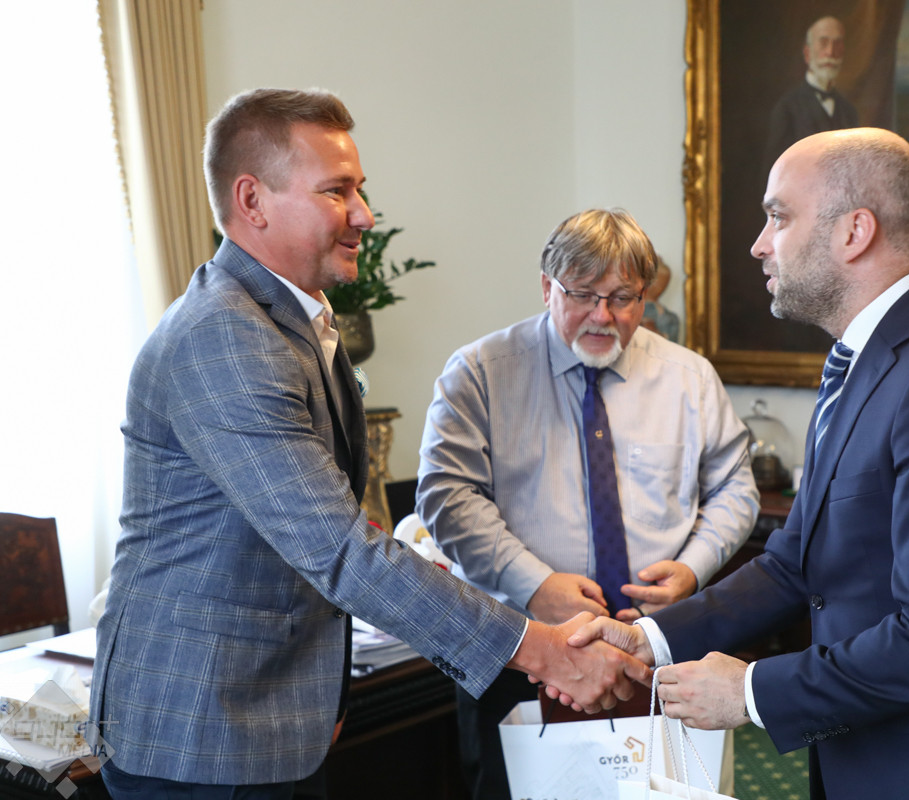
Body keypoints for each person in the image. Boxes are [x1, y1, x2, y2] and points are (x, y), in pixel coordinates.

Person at [88, 89, 649, 799]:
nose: (364, 215)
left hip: (271, 719)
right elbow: (340, 549)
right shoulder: (224, 336)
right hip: (201, 732)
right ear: (252, 200)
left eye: (360, 189)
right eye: (336, 191)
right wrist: (540, 650)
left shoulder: (294, 320)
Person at [567, 128, 909, 799]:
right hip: (870, 754)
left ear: (855, 232)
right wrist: (651, 638)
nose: (760, 244)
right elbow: (797, 564)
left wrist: (749, 690)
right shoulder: (859, 362)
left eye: (779, 217)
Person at [416, 208, 759, 799]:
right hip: (521, 653)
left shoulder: (689, 378)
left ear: (645, 296)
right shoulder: (479, 372)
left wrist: (693, 567)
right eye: (583, 295)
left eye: (623, 298)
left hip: (661, 651)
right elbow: (447, 495)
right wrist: (535, 585)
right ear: (547, 287)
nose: (603, 315)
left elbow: (735, 487)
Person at [763, 16, 858, 172]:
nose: (830, 52)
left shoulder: (849, 111)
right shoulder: (787, 109)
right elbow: (776, 173)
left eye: (837, 44)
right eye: (823, 43)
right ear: (807, 53)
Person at [639, 259, 681, 343]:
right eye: (656, 283)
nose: (659, 288)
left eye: (664, 283)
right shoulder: (629, 311)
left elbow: (672, 346)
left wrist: (655, 331)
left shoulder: (670, 319)